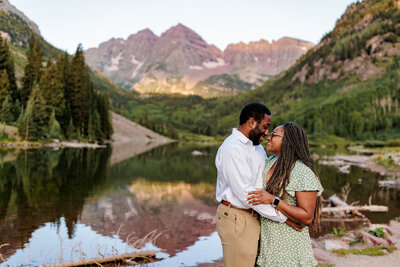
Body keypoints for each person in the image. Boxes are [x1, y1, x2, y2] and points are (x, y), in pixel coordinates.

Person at [215, 103, 300, 267]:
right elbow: (248, 195)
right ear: (252, 122)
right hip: (237, 217)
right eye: (265, 126)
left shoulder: (258, 149)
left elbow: (263, 186)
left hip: (256, 215)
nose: (267, 132)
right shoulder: (232, 149)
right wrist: (284, 217)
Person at [247, 121, 324, 267]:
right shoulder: (269, 162)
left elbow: (307, 216)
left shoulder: (302, 172)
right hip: (267, 247)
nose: (269, 137)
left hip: (290, 250)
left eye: (274, 135)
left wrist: (273, 200)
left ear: (288, 141)